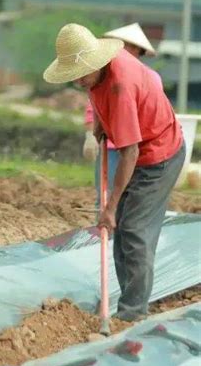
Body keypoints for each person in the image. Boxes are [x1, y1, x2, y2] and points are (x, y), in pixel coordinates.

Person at [44, 23, 185, 322]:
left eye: (82, 74)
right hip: (139, 150)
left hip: (159, 155)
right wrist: (100, 121)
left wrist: (110, 207)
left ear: (95, 63)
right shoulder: (98, 74)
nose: (79, 81)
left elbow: (130, 152)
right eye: (75, 75)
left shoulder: (121, 84)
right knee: (122, 228)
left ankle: (132, 314)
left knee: (134, 230)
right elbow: (98, 93)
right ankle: (127, 303)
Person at [82, 23, 159, 207]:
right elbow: (93, 108)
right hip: (110, 148)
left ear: (134, 49)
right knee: (105, 197)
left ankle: (121, 233)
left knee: (131, 198)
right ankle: (104, 232)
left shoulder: (151, 77)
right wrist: (90, 137)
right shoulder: (102, 77)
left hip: (138, 147)